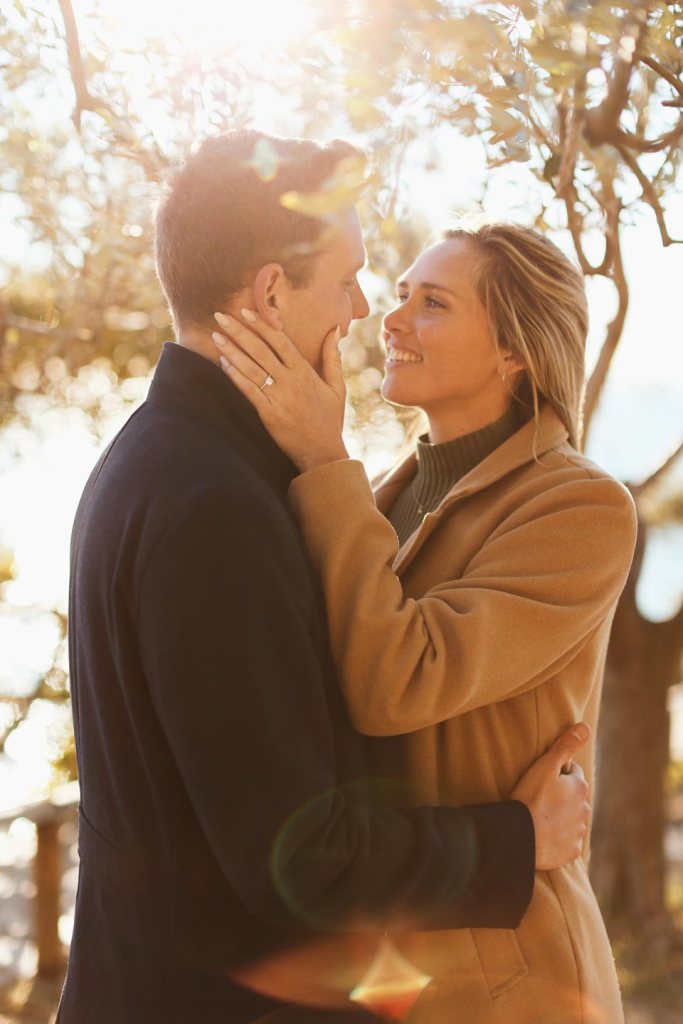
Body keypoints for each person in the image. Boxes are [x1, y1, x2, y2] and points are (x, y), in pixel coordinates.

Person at [59, 131, 592, 1024]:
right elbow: (301, 857)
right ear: (271, 291)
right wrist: (516, 841)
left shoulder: (162, 456)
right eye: (350, 278)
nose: (360, 308)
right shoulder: (216, 502)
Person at [212, 220, 638, 1023]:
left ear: (513, 353)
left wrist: (321, 456)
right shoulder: (388, 495)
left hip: (511, 974)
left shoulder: (578, 506)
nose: (391, 318)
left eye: (432, 303)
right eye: (400, 294)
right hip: (396, 953)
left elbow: (395, 683)